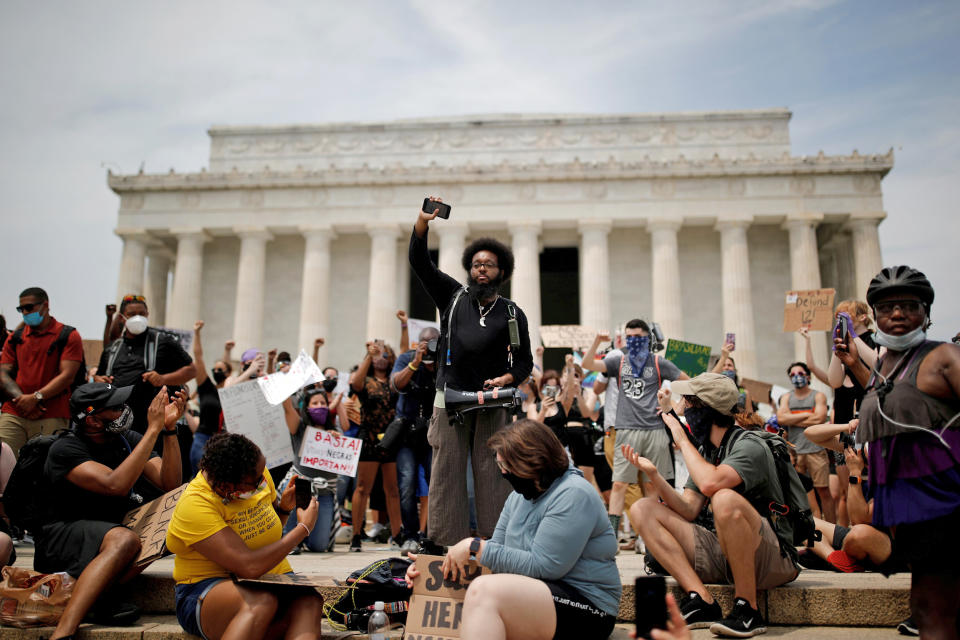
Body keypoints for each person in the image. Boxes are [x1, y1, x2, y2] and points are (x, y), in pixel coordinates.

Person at [405, 420, 620, 640]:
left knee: (485, 592)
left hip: (588, 606)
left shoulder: (574, 494)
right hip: (539, 595)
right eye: (500, 466)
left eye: (507, 467)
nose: (503, 473)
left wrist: (474, 546)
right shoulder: (518, 497)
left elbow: (544, 566)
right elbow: (497, 554)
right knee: (483, 591)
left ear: (533, 462)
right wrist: (432, 570)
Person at [629, 372, 799, 638]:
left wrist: (681, 438)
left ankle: (748, 610)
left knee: (724, 498)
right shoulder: (710, 450)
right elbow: (688, 509)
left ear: (706, 409)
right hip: (728, 552)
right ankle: (701, 599)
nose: (683, 409)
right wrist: (654, 476)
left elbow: (711, 484)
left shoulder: (749, 445)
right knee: (642, 508)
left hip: (774, 557)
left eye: (689, 403)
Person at [843, 266, 960, 639]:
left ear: (926, 312)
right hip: (910, 507)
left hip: (945, 502)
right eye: (887, 307)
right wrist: (853, 367)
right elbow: (890, 403)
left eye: (908, 306)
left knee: (934, 607)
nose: (897, 314)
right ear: (874, 315)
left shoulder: (944, 357)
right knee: (927, 606)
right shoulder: (886, 364)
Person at [408, 197, 533, 546]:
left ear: (501, 272)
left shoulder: (512, 313)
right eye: (477, 264)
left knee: (492, 470)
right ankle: (444, 541)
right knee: (446, 470)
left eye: (489, 265)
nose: (482, 269)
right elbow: (420, 262)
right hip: (450, 397)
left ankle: (496, 539)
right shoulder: (452, 296)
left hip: (492, 401)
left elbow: (524, 362)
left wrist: (508, 379)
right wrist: (422, 224)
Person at [38, 382, 185, 639]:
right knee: (125, 539)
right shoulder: (65, 449)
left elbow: (169, 483)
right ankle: (63, 633)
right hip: (62, 538)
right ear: (93, 421)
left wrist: (168, 430)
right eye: (116, 408)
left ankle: (97, 596)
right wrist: (152, 429)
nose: (124, 410)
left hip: (110, 534)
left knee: (178, 520)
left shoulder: (125, 440)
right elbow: (115, 484)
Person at [165, 433, 323, 640]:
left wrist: (284, 511)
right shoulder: (195, 504)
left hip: (268, 578)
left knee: (309, 601)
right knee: (260, 602)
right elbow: (248, 567)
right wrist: (302, 528)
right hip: (207, 588)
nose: (263, 480)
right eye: (256, 481)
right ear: (227, 486)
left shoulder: (256, 474)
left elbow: (263, 536)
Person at [582, 320, 688, 536]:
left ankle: (650, 539)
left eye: (638, 337)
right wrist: (597, 341)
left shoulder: (659, 363)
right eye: (629, 338)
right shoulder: (619, 362)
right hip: (626, 429)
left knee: (652, 486)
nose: (633, 342)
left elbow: (688, 383)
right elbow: (588, 365)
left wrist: (674, 409)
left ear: (647, 339)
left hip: (655, 430)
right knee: (619, 484)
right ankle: (611, 538)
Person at [95, 295, 196, 435]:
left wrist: (163, 379)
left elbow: (192, 371)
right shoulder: (113, 348)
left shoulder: (163, 341)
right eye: (131, 314)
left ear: (147, 314)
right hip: (116, 425)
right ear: (122, 318)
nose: (137, 318)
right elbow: (99, 376)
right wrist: (99, 381)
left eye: (141, 314)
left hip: (151, 426)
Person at [1, 287, 83, 456]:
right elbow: (3, 374)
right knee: (4, 463)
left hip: (51, 414)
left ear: (45, 305)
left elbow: (67, 376)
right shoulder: (15, 337)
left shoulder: (68, 335)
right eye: (21, 309)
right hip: (14, 412)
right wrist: (23, 400)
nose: (24, 312)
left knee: (43, 468)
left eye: (29, 307)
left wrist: (36, 397)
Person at [348, 339, 405, 551]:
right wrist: (368, 356)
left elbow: (404, 354)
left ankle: (397, 535)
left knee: (392, 489)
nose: (381, 358)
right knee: (363, 488)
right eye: (377, 355)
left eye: (384, 354)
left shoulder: (394, 380)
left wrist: (404, 329)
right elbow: (355, 384)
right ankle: (355, 535)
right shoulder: (367, 379)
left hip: (390, 438)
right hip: (370, 438)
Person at [390, 325, 440, 550]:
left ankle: (432, 535)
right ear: (418, 343)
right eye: (426, 342)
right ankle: (409, 535)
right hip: (406, 436)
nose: (430, 346)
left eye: (435, 342)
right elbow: (396, 385)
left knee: (437, 485)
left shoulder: (444, 363)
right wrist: (416, 362)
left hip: (433, 436)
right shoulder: (406, 359)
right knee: (407, 485)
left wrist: (437, 363)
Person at [279, 388, 340, 552]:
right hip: (301, 488)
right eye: (315, 403)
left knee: (320, 547)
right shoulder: (299, 427)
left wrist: (336, 441)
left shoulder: (335, 431)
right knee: (289, 543)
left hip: (324, 490)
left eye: (323, 403)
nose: (319, 406)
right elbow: (287, 407)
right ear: (306, 407)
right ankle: (293, 539)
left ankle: (305, 539)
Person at [776, 362, 833, 522]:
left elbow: (820, 418)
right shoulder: (786, 397)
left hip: (816, 450)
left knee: (823, 492)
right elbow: (781, 418)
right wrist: (809, 414)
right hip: (795, 453)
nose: (796, 377)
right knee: (800, 493)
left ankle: (832, 527)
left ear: (808, 376)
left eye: (800, 373)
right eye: (793, 375)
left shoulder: (818, 396)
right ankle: (805, 529)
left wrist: (792, 417)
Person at [189, 321, 230, 474]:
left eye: (221, 369)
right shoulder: (206, 388)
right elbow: (198, 357)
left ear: (228, 373)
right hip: (201, 439)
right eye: (215, 369)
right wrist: (197, 333)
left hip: (221, 443)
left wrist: (228, 351)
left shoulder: (231, 394)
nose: (216, 371)